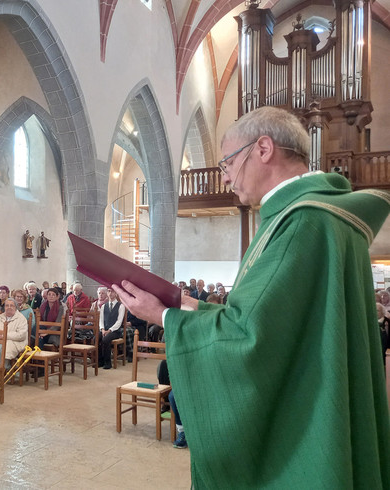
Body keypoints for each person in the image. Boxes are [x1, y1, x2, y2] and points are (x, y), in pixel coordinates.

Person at [114, 106, 390, 487]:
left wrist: (163, 317)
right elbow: (271, 318)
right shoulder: (324, 216)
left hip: (299, 423)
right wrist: (195, 306)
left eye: (228, 162)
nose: (225, 177)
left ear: (263, 149)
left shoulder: (300, 222)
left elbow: (250, 339)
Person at [98, 289, 125, 369]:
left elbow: (119, 322)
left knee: (106, 339)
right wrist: (102, 329)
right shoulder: (103, 306)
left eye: (112, 291)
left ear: (116, 293)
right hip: (104, 330)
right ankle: (100, 361)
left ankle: (107, 362)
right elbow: (101, 320)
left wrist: (109, 330)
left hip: (115, 331)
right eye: (109, 291)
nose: (110, 293)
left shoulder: (121, 306)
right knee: (96, 338)